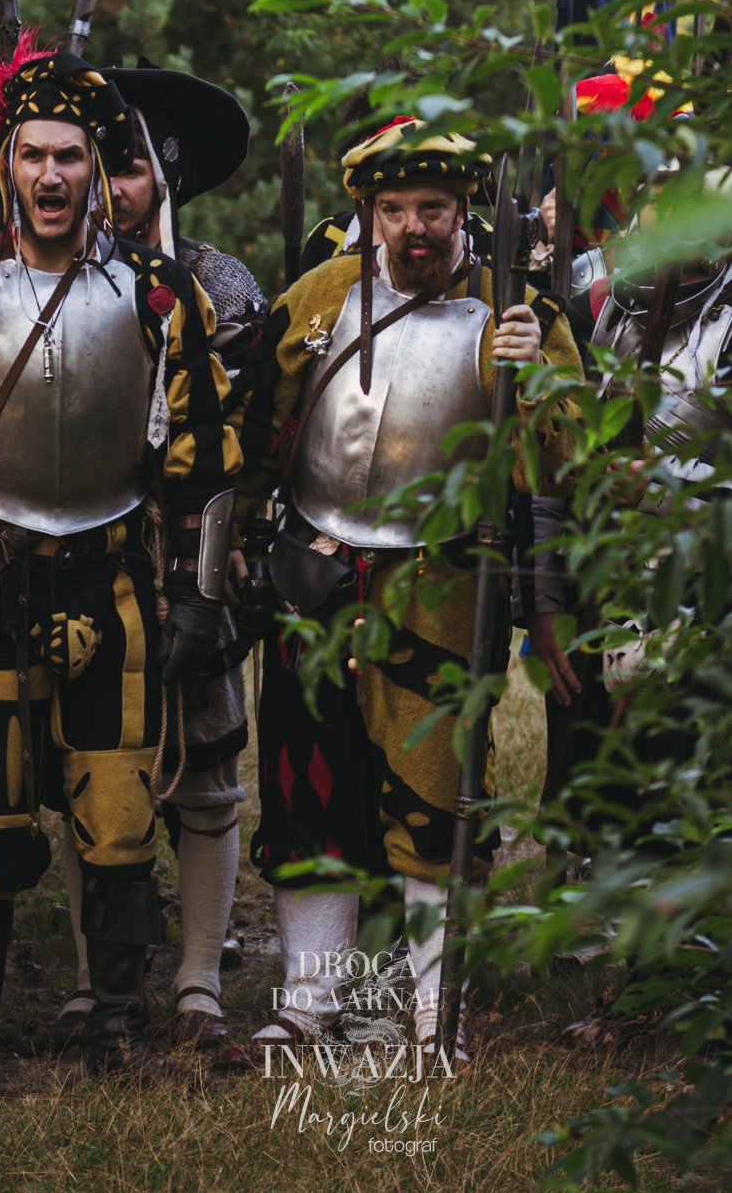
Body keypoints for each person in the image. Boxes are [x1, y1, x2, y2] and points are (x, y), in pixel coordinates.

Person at [0, 36, 240, 1104]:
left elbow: (203, 457)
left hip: (115, 586)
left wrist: (200, 598)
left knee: (121, 819)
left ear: (98, 168)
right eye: (33, 154)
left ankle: (118, 1025)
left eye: (71, 156)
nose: (51, 175)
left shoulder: (163, 294)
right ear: (5, 165)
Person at [236, 120, 582, 1058]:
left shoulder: (517, 311)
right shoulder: (318, 297)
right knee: (308, 788)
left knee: (436, 800)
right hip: (315, 575)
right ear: (368, 211)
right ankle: (310, 999)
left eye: (432, 207)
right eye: (393, 209)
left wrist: (537, 380)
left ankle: (434, 1011)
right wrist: (233, 544)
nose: (414, 227)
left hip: (443, 585)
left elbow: (565, 464)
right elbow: (255, 427)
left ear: (465, 209)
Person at [27, 66, 260, 1051]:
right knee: (88, 771)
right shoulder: (38, 279)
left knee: (205, 769)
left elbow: (240, 440)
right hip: (84, 563)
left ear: (166, 178)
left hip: (195, 555)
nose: (114, 188)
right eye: (105, 166)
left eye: (130, 169)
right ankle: (96, 979)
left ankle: (200, 980)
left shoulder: (219, 284)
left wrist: (206, 580)